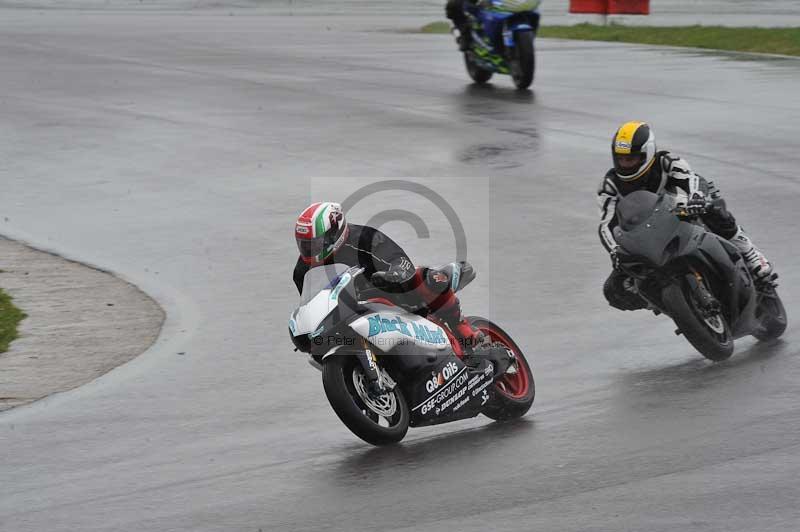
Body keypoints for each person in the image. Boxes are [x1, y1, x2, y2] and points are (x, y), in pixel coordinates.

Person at [598, 121, 775, 311]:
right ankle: (662, 302)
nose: (626, 164)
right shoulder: (610, 186)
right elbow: (606, 224)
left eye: (632, 159)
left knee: (714, 210)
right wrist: (615, 250)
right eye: (621, 159)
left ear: (647, 154)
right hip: (647, 234)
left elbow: (692, 179)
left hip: (683, 213)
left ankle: (751, 254)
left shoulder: (667, 162)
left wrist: (696, 198)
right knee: (613, 289)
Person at [293, 201, 485, 350]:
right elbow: (312, 305)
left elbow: (400, 261)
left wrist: (395, 274)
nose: (310, 250)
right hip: (353, 313)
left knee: (424, 277)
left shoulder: (364, 239)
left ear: (334, 233)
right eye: (305, 244)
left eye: (316, 243)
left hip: (393, 295)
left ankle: (464, 331)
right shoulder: (302, 271)